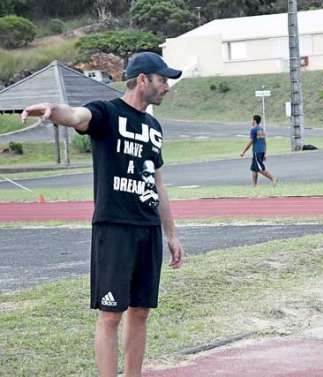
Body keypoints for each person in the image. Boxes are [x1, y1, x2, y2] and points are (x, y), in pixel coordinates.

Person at [21, 51, 184, 377]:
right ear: (143, 80)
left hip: (148, 228)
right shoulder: (107, 112)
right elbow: (78, 117)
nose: (166, 86)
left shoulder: (153, 126)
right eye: (162, 80)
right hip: (115, 227)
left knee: (141, 312)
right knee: (111, 315)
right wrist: (55, 112)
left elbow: (158, 182)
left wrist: (171, 233)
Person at [240, 114, 277, 187]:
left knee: (260, 168)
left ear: (254, 121)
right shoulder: (261, 130)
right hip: (261, 151)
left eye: (252, 120)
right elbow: (264, 142)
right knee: (254, 168)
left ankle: (273, 178)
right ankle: (254, 185)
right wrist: (265, 153)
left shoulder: (253, 130)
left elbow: (250, 142)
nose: (251, 121)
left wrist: (243, 151)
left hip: (257, 152)